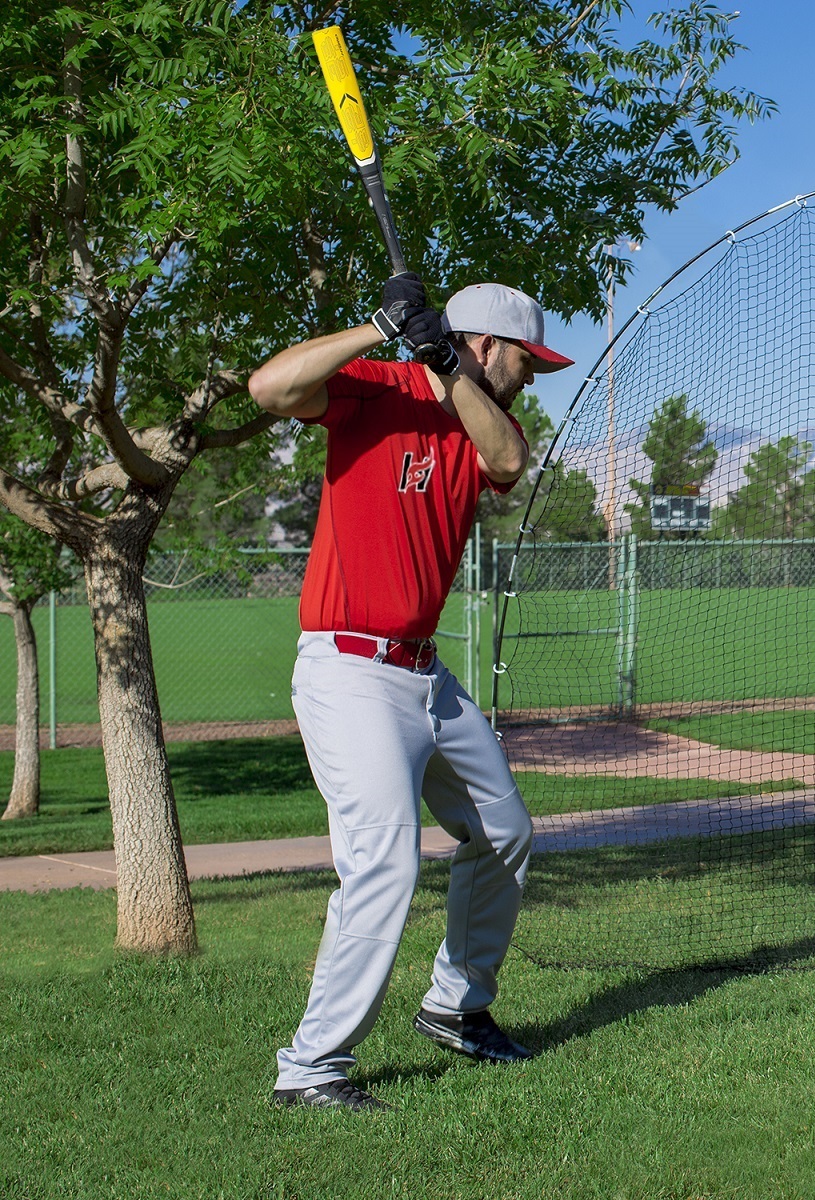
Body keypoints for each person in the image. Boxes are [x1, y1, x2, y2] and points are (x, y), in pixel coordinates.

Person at [248, 275, 573, 1112]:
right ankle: (311, 1069)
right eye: (526, 362)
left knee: (504, 830)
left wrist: (450, 371)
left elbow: (508, 461)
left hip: (426, 673)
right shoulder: (376, 389)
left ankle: (455, 1008)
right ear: (487, 344)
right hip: (350, 670)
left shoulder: (484, 422)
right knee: (384, 861)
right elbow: (270, 387)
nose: (530, 378)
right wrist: (377, 327)